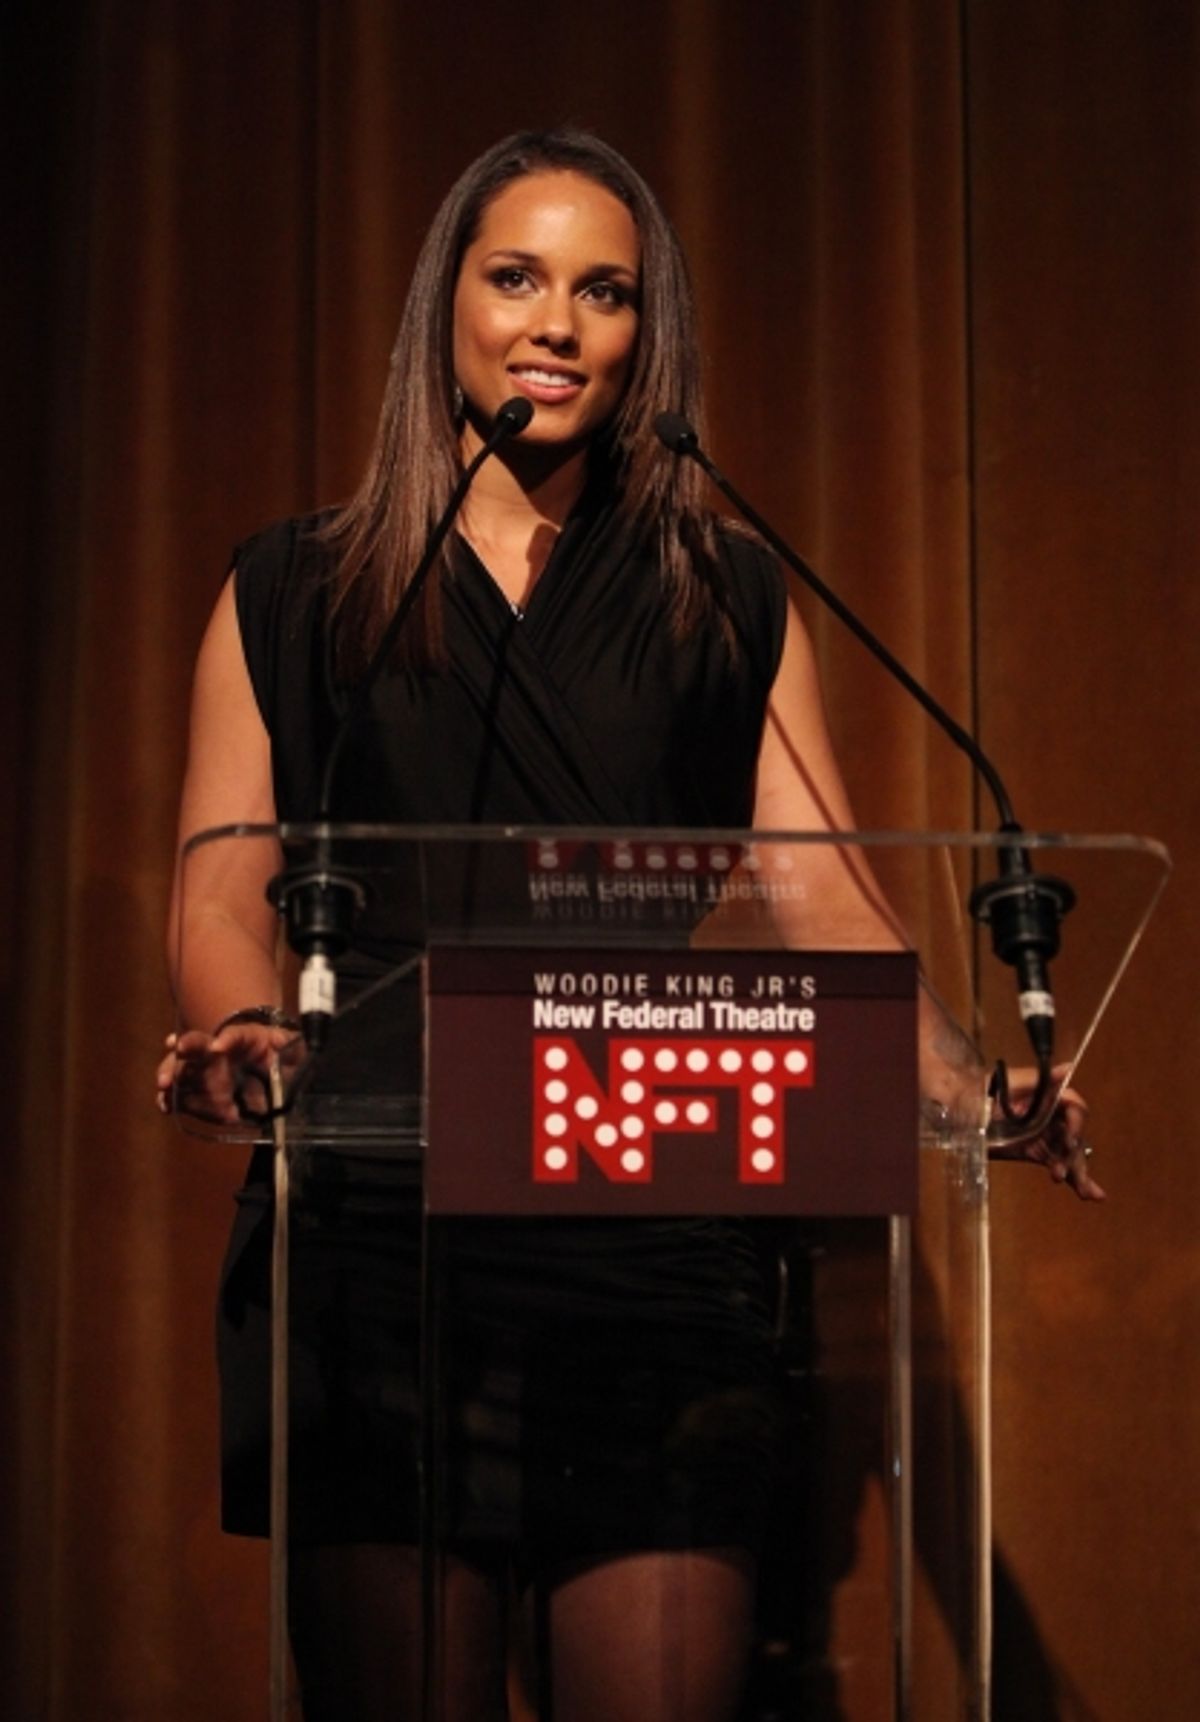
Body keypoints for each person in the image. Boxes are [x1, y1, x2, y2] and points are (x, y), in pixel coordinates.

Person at [157, 129, 1099, 1722]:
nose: (557, 324)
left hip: (650, 1256)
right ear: (442, 307)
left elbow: (823, 898)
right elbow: (217, 887)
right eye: (516, 276)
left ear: (645, 337)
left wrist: (961, 1086)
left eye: (604, 292)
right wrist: (247, 1030)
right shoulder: (294, 587)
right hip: (382, 1247)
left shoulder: (722, 589)